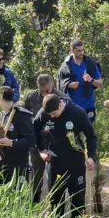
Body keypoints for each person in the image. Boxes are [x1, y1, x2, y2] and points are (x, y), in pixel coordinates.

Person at [34, 93, 97, 218]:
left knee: (77, 196)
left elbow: (91, 135)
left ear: (60, 104)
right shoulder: (44, 113)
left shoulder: (77, 113)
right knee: (56, 196)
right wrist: (41, 150)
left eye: (54, 113)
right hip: (54, 160)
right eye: (49, 114)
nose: (52, 116)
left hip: (75, 160)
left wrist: (91, 156)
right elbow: (35, 130)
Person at [25, 73, 70, 204]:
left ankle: (57, 201)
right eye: (42, 91)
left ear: (53, 86)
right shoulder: (31, 97)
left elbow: (68, 122)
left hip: (56, 142)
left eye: (48, 91)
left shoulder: (63, 98)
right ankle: (35, 198)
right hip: (36, 140)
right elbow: (25, 117)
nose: (45, 94)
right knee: (37, 170)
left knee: (56, 172)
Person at [0, 86, 36, 185]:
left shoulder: (22, 115)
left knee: (17, 194)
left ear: (0, 99)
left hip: (18, 164)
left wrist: (12, 142)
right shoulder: (1, 114)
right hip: (2, 163)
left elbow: (31, 139)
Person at [57, 39, 103, 121]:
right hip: (72, 105)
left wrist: (91, 80)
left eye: (82, 50)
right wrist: (68, 84)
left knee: (89, 131)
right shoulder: (65, 66)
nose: (81, 53)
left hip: (89, 104)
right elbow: (59, 84)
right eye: (78, 51)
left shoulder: (90, 63)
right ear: (72, 50)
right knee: (73, 132)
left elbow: (100, 84)